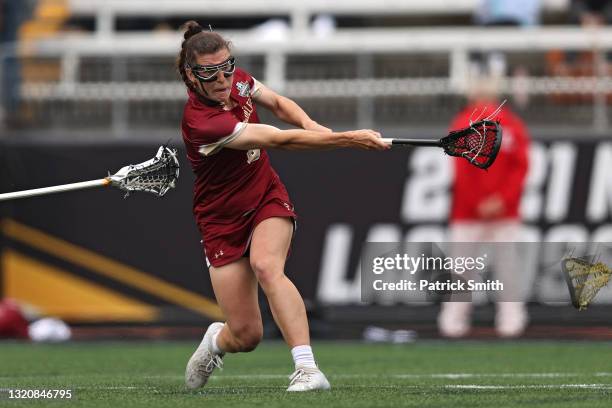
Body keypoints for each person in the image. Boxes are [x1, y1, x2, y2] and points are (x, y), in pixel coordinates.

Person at [176, 21, 388, 392]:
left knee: (266, 265)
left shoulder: (237, 79)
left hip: (264, 196)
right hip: (219, 218)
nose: (223, 79)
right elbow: (280, 140)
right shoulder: (202, 122)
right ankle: (214, 342)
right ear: (192, 77)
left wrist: (310, 122)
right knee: (245, 335)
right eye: (210, 73)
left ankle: (307, 369)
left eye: (227, 66)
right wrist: (346, 139)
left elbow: (276, 103)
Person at [437, 60, 530, 338]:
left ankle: (490, 321)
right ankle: (467, 321)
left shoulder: (509, 124)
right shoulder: (467, 122)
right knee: (472, 269)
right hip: (472, 211)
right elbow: (461, 169)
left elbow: (520, 166)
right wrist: (490, 200)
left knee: (493, 269)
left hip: (491, 210)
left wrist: (498, 199)